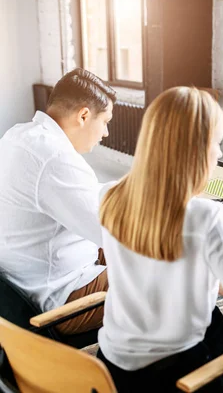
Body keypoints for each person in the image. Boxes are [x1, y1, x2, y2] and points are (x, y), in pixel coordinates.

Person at [96, 87, 223, 393]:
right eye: (216, 143)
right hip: (177, 379)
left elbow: (161, 261)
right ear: (196, 150)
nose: (220, 153)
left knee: (216, 316)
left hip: (114, 372)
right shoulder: (204, 216)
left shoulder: (112, 196)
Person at [0, 68, 116, 335]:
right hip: (59, 297)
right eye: (105, 121)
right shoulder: (55, 158)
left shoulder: (18, 136)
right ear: (84, 116)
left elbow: (75, 193)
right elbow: (113, 232)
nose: (106, 133)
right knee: (164, 274)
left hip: (20, 281)